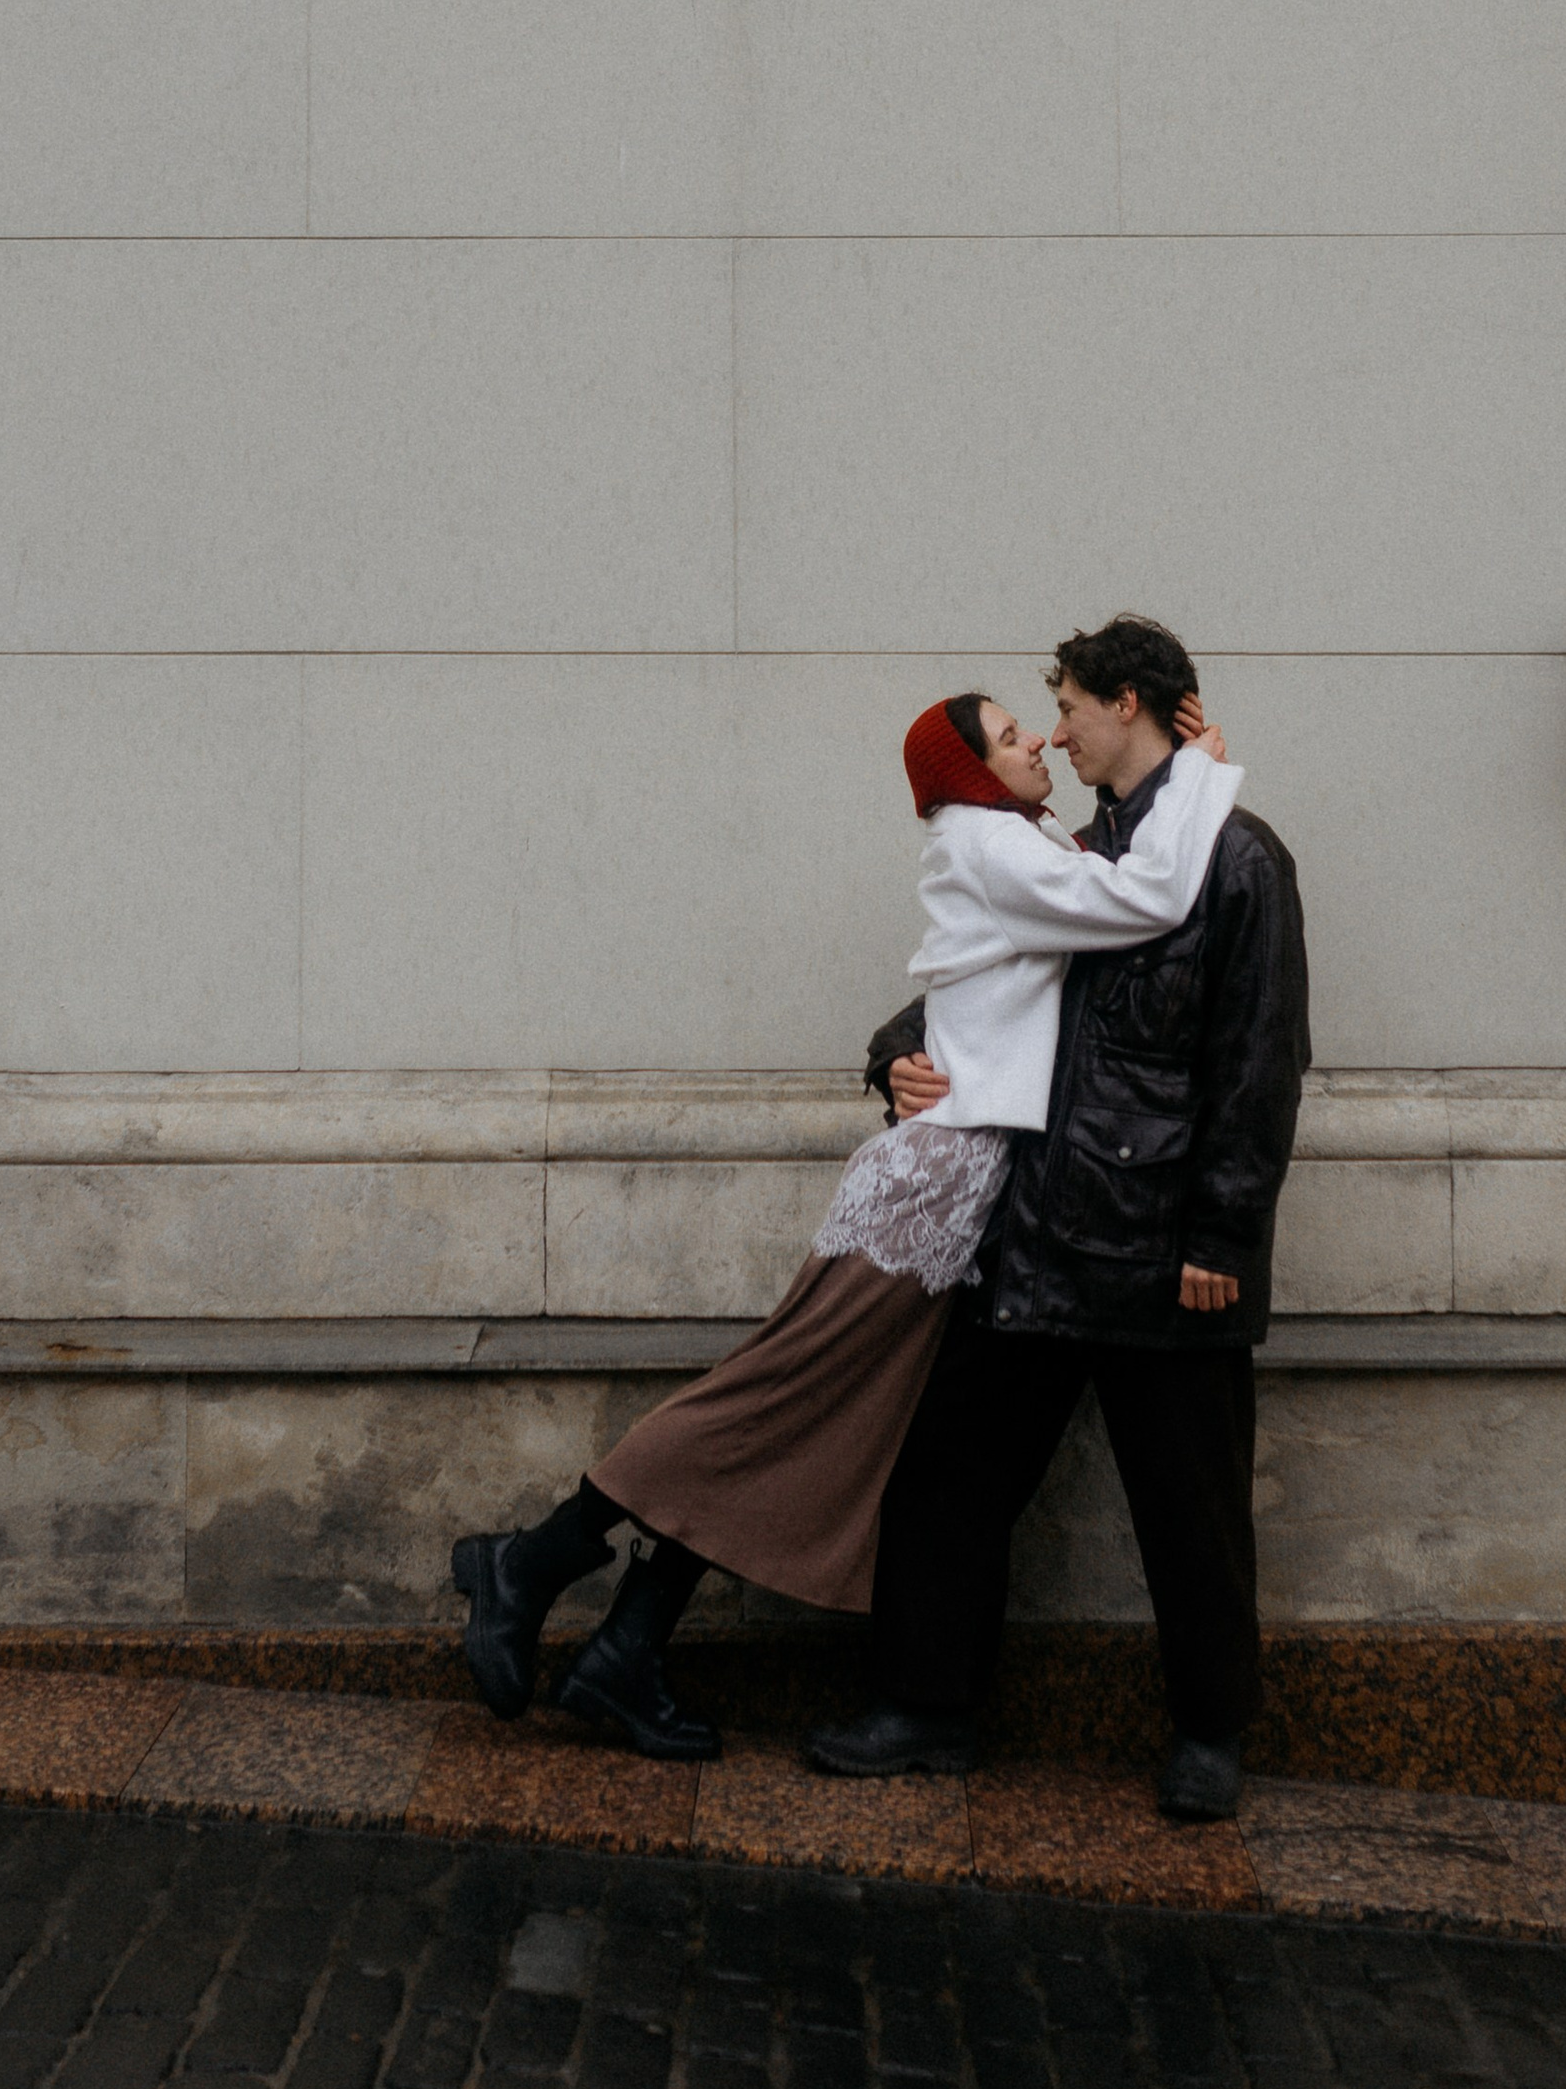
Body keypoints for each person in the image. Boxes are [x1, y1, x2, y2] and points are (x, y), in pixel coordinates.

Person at [446, 688, 1243, 1759]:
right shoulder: (988, 844)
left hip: (967, 1198)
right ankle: (535, 1560)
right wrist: (1203, 774)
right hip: (931, 1193)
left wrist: (898, 1055)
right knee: (775, 1393)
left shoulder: (1027, 839)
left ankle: (626, 1644)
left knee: (812, 1415)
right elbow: (1142, 898)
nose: (1039, 741)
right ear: (970, 773)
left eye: (1040, 721)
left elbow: (975, 994)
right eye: (1014, 735)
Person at [807, 613, 1307, 1825]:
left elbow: (1258, 1066)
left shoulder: (1237, 863)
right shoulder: (1074, 858)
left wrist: (1220, 1243)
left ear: (1128, 705)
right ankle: (925, 1710)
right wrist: (895, 1061)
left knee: (1190, 1509)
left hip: (1159, 1255)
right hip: (1031, 1235)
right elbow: (975, 990)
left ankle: (1207, 1735)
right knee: (947, 1486)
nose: (1059, 731)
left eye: (1072, 707)